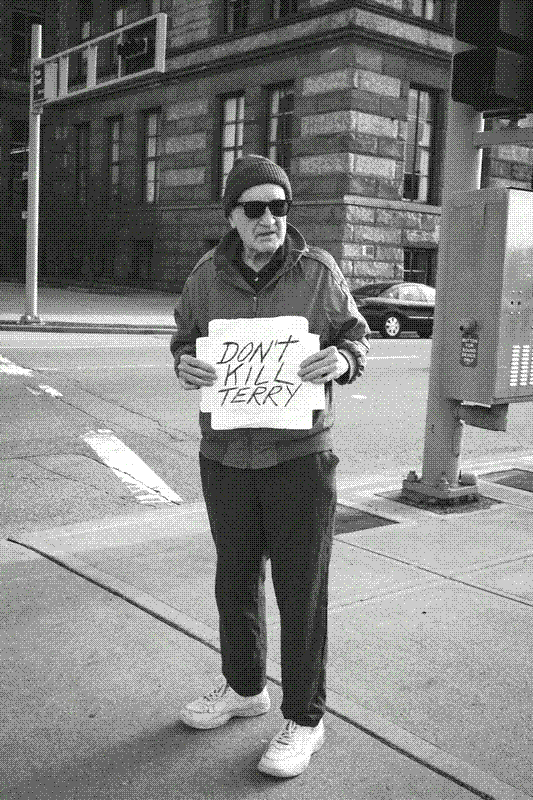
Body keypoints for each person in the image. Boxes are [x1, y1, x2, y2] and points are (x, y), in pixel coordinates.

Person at [170, 155, 370, 778]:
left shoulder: (319, 272)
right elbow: (184, 338)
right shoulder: (206, 275)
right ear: (231, 215)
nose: (268, 219)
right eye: (254, 208)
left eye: (278, 207)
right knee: (235, 583)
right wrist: (184, 363)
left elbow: (356, 334)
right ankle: (244, 687)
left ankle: (305, 719)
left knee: (300, 593)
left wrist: (343, 359)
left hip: (301, 460)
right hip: (226, 459)